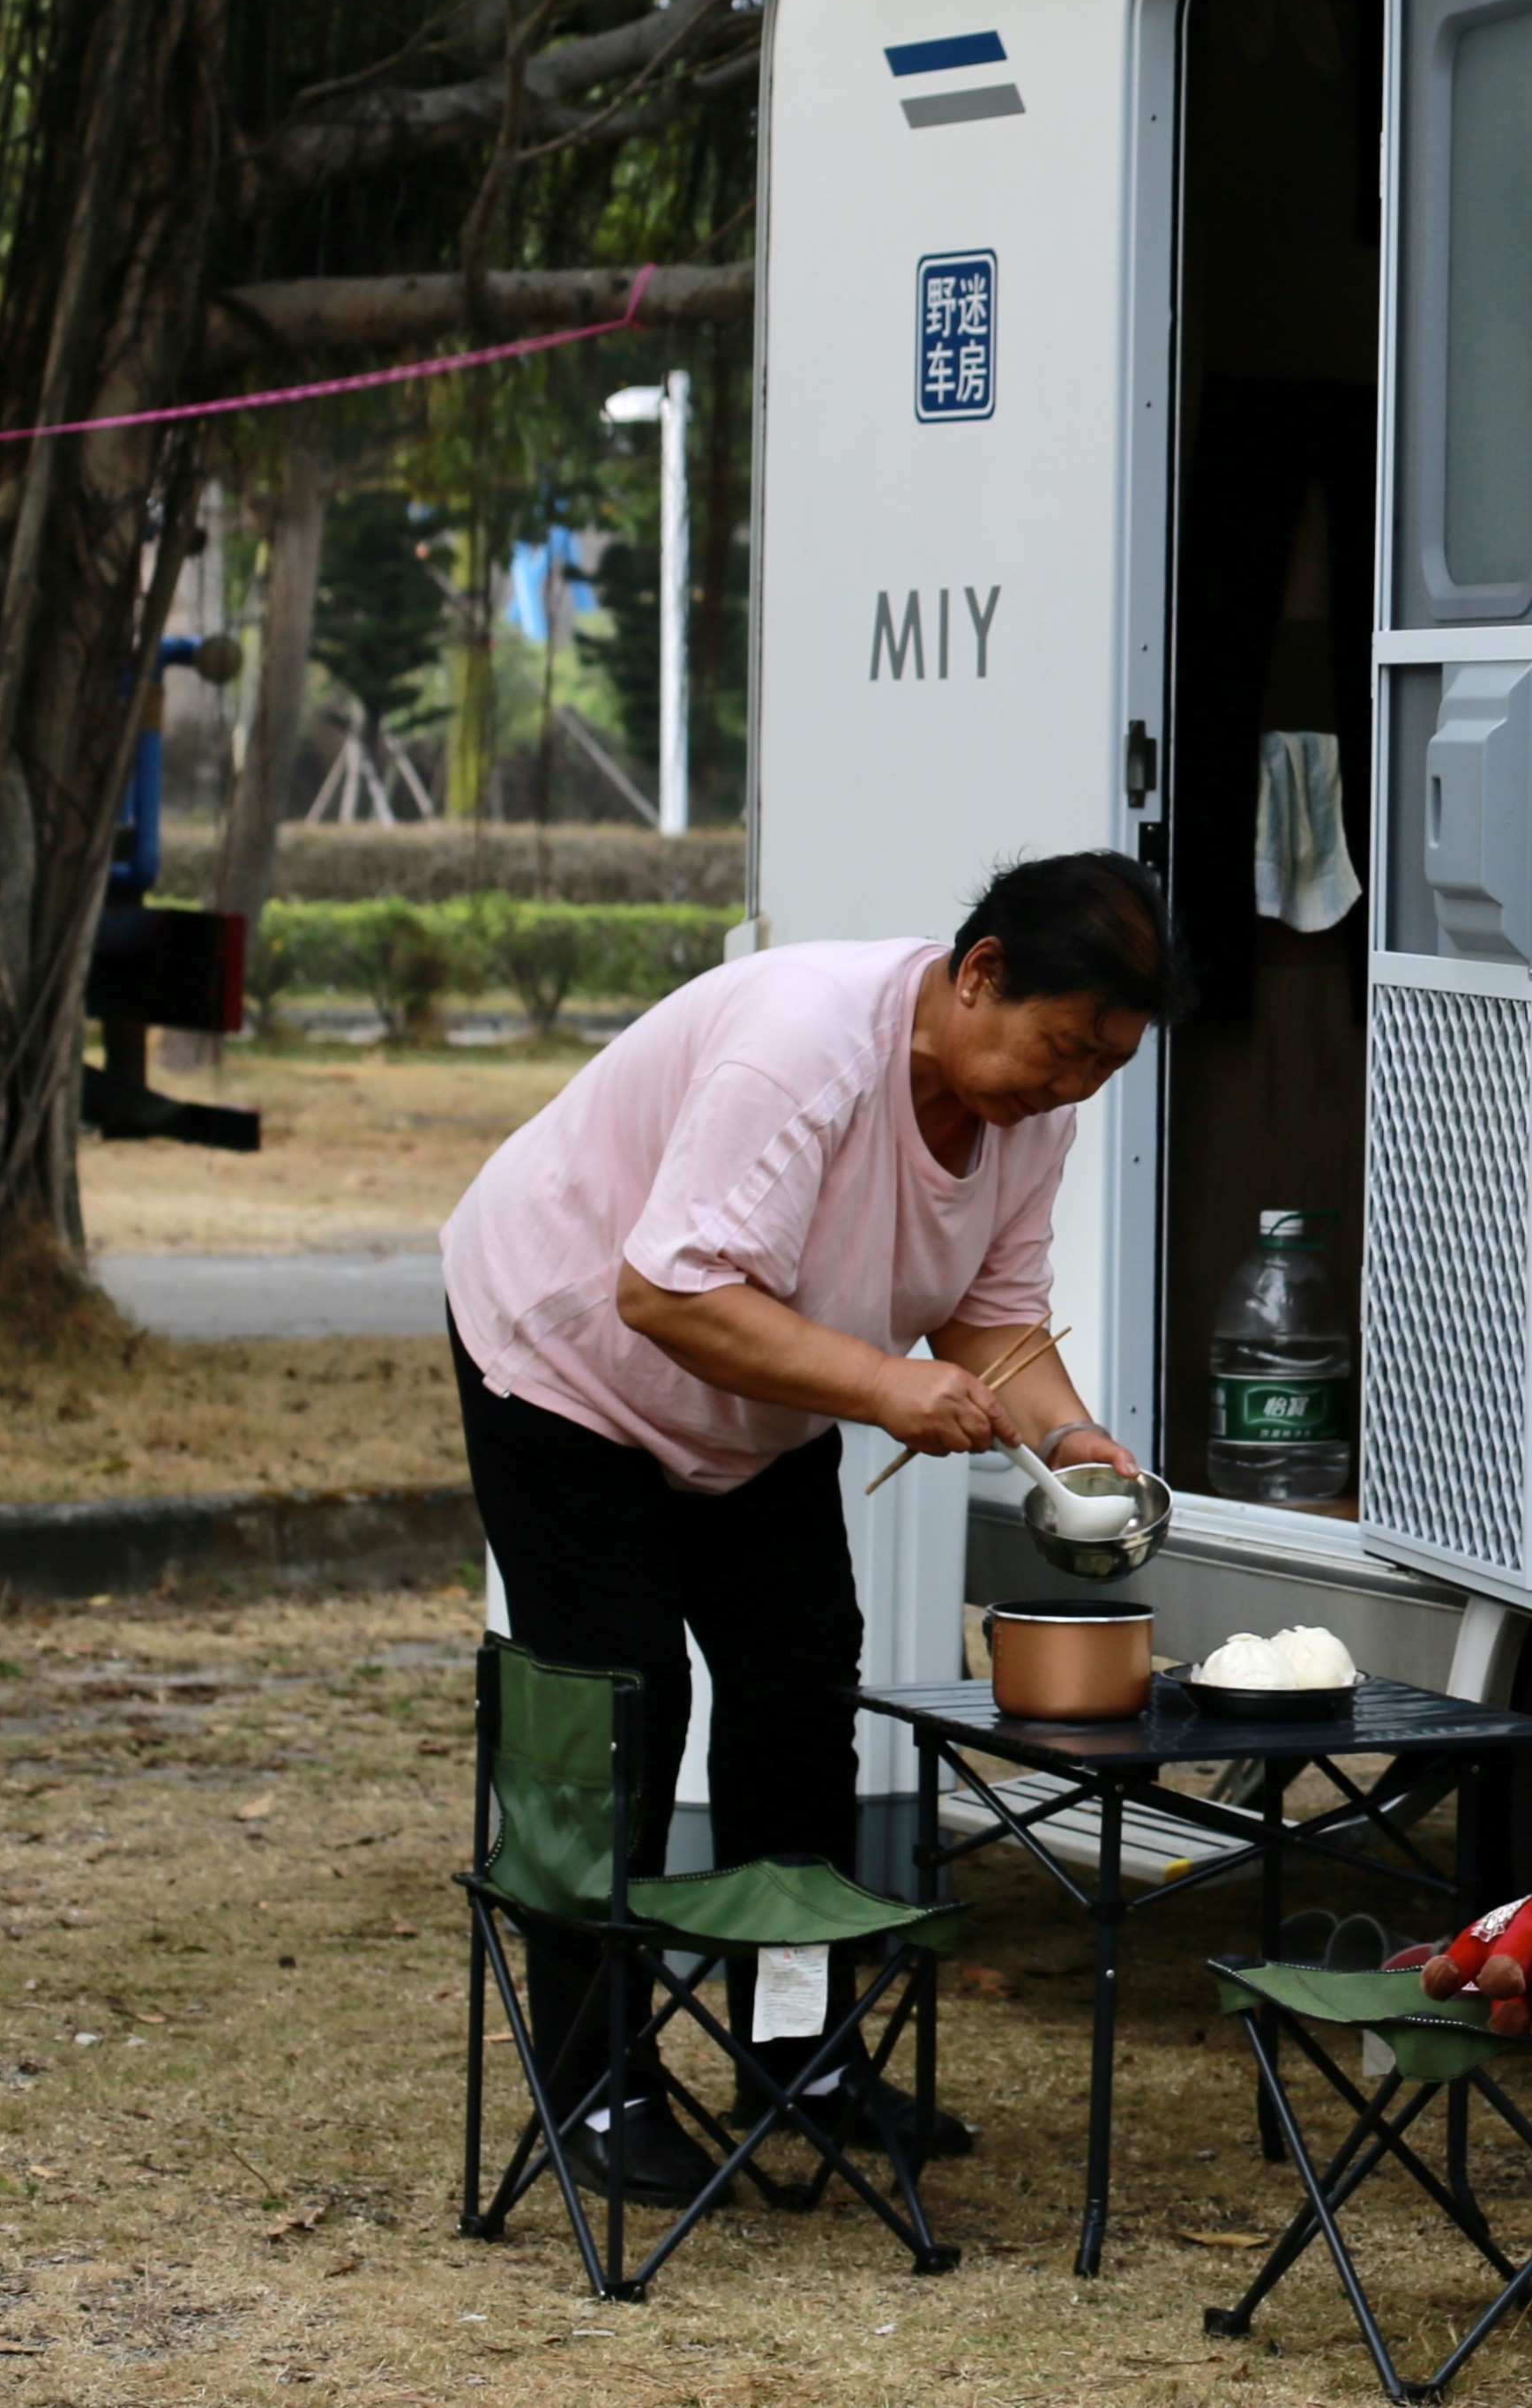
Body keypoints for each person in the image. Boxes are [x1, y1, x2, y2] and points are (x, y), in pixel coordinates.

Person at [445, 851, 1166, 2194]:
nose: (1071, 1089)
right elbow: (665, 1291)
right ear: (981, 973)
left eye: (1102, 1070)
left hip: (754, 1402)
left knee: (794, 1686)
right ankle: (596, 2084)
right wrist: (889, 1386)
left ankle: (799, 2053)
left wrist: (1069, 1436)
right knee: (622, 1703)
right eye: (1064, 1049)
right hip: (566, 1358)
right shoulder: (802, 1054)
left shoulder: (1027, 1118)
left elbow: (996, 1314)